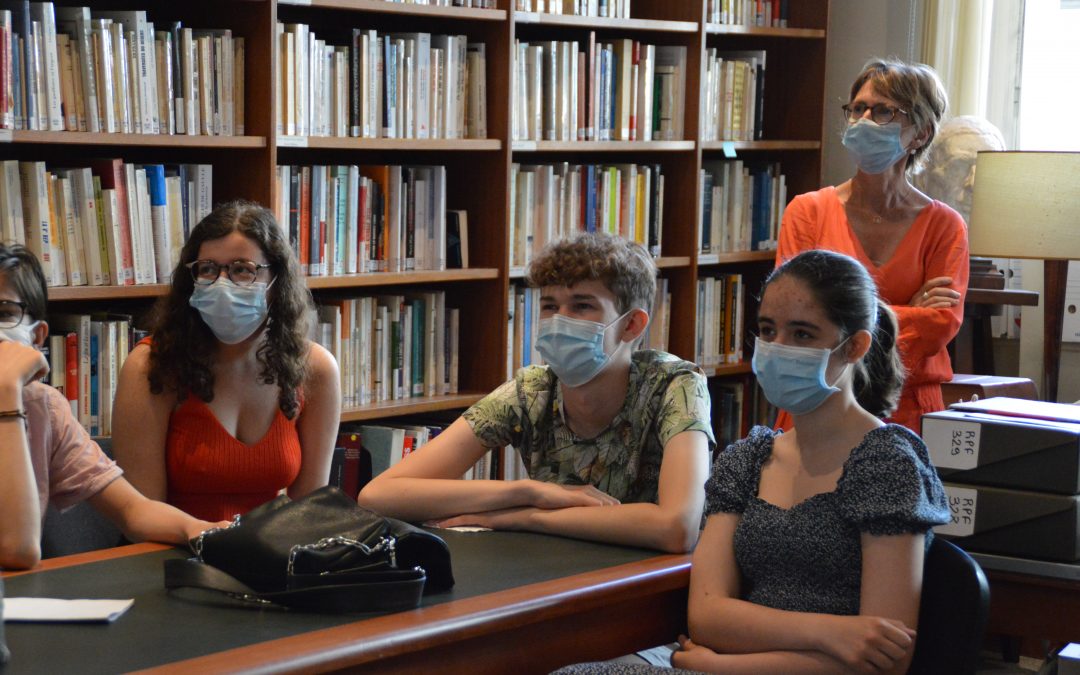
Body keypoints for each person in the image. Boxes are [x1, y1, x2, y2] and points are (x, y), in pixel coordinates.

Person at [554, 249, 950, 675]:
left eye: (802, 334)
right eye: (768, 330)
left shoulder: (888, 462)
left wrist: (723, 666)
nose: (778, 348)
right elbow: (706, 615)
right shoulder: (748, 459)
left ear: (853, 346)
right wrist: (832, 633)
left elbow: (884, 659)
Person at [358, 233, 714, 553]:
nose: (559, 319)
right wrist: (527, 492)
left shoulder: (675, 386)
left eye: (581, 305)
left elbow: (677, 527)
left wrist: (526, 516)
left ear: (632, 324)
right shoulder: (532, 391)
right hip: (551, 571)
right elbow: (380, 495)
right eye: (549, 306)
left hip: (648, 585)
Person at [112, 201, 341, 522]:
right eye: (207, 269)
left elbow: (310, 509)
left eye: (242, 269)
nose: (222, 283)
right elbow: (141, 515)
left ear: (276, 283)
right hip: (170, 557)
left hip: (268, 559)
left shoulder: (315, 368)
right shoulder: (152, 366)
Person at [0, 243, 224, 570]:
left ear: (38, 338)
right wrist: (6, 396)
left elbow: (132, 510)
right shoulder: (14, 397)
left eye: (5, 312)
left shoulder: (42, 406)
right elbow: (15, 551)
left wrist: (203, 530)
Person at [776, 57, 968, 433]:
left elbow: (940, 324)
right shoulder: (808, 211)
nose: (864, 120)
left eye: (883, 111)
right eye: (857, 108)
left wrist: (844, 315)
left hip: (910, 410)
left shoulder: (945, 225)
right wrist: (903, 312)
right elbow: (794, 313)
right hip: (819, 399)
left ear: (921, 133)